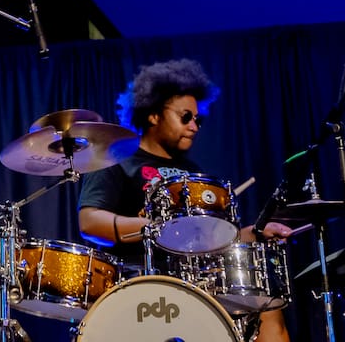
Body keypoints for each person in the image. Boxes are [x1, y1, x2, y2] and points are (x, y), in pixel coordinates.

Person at [77, 58, 294, 342]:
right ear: (153, 114)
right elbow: (89, 222)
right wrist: (155, 228)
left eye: (198, 119)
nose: (194, 126)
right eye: (186, 117)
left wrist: (255, 233)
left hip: (198, 282)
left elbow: (212, 238)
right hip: (139, 280)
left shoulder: (195, 173)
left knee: (266, 302)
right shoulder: (117, 160)